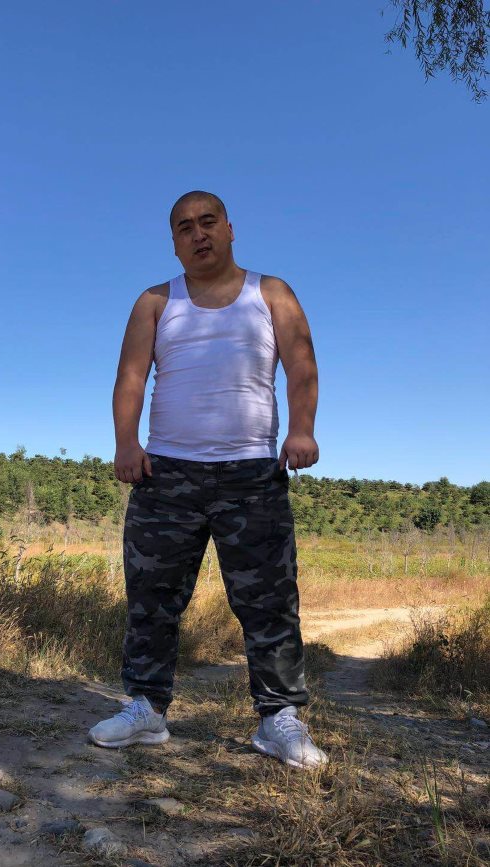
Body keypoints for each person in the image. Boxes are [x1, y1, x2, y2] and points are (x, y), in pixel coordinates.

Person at [88, 191, 327, 769]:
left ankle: (278, 718)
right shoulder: (155, 301)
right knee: (152, 599)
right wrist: (126, 444)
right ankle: (146, 708)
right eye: (184, 227)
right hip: (165, 473)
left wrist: (302, 430)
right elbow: (130, 376)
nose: (198, 234)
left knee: (269, 602)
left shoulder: (271, 292)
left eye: (208, 222)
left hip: (252, 473)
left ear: (229, 229)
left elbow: (301, 363)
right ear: (174, 242)